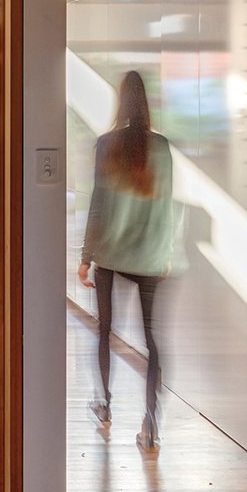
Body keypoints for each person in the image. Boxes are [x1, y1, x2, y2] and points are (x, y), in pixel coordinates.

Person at [78, 70, 183, 450]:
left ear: (121, 101)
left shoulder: (107, 144)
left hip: (111, 252)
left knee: (105, 329)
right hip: (149, 253)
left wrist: (86, 257)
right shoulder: (161, 147)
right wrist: (166, 253)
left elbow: (98, 204)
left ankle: (105, 403)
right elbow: (167, 205)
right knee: (152, 337)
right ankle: (151, 419)